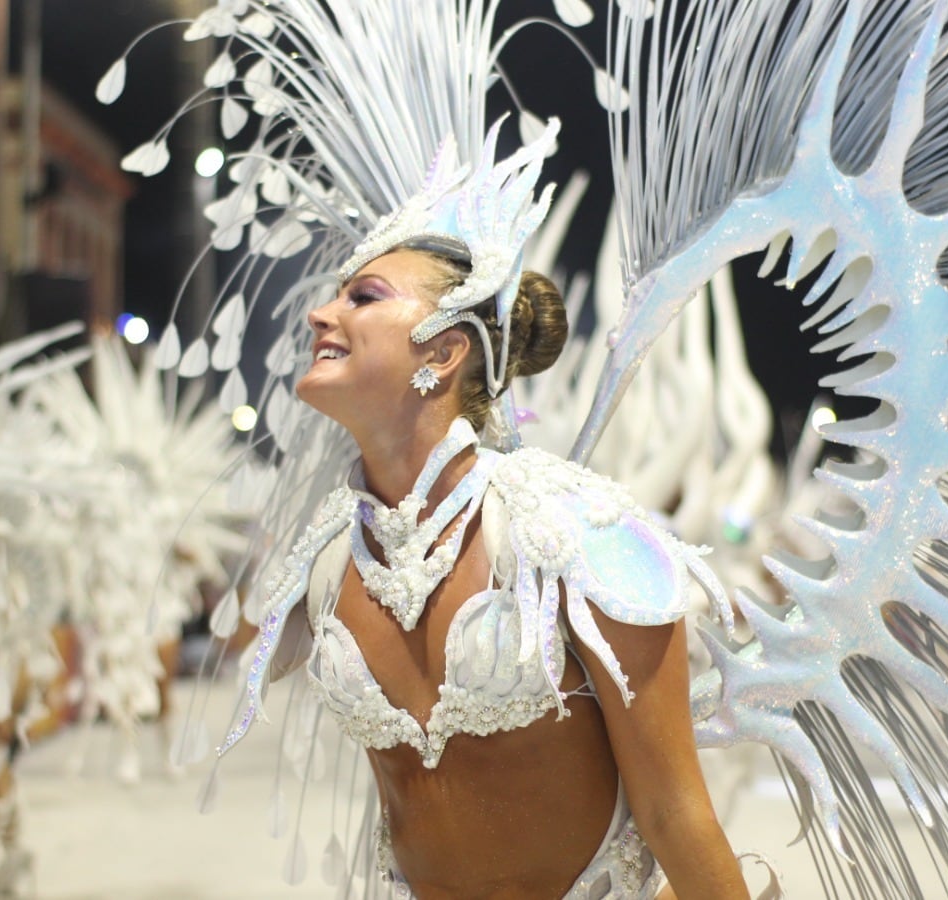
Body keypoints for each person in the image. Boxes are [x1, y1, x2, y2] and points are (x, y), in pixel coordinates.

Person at [228, 240, 748, 897]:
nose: (320, 316)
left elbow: (676, 811)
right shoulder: (331, 557)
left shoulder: (568, 532)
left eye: (363, 297)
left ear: (445, 352)